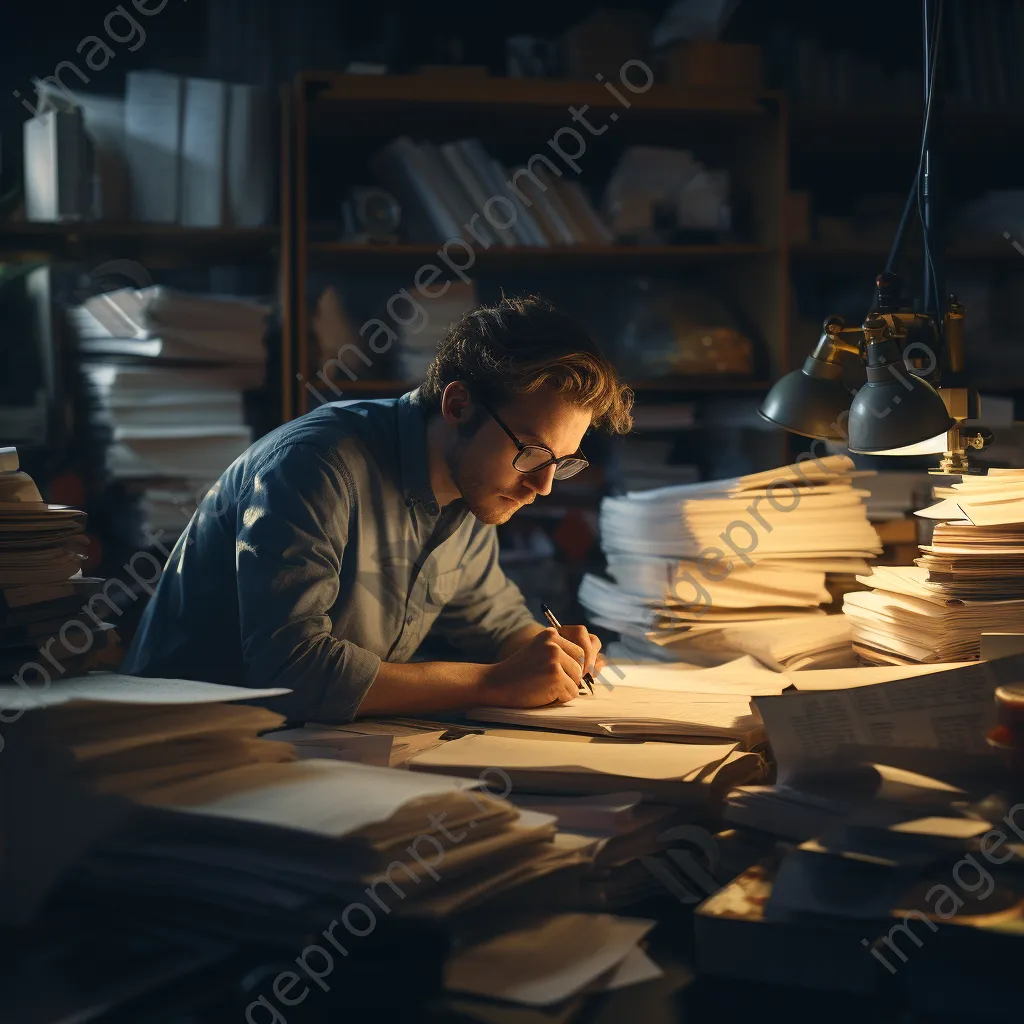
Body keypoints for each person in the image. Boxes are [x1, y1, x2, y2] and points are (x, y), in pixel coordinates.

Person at [123, 295, 634, 721]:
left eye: (562, 463)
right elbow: (291, 673)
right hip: (177, 745)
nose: (542, 487)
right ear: (458, 407)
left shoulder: (477, 489)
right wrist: (492, 682)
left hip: (301, 749)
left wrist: (548, 651)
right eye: (531, 452)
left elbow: (494, 623)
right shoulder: (314, 466)